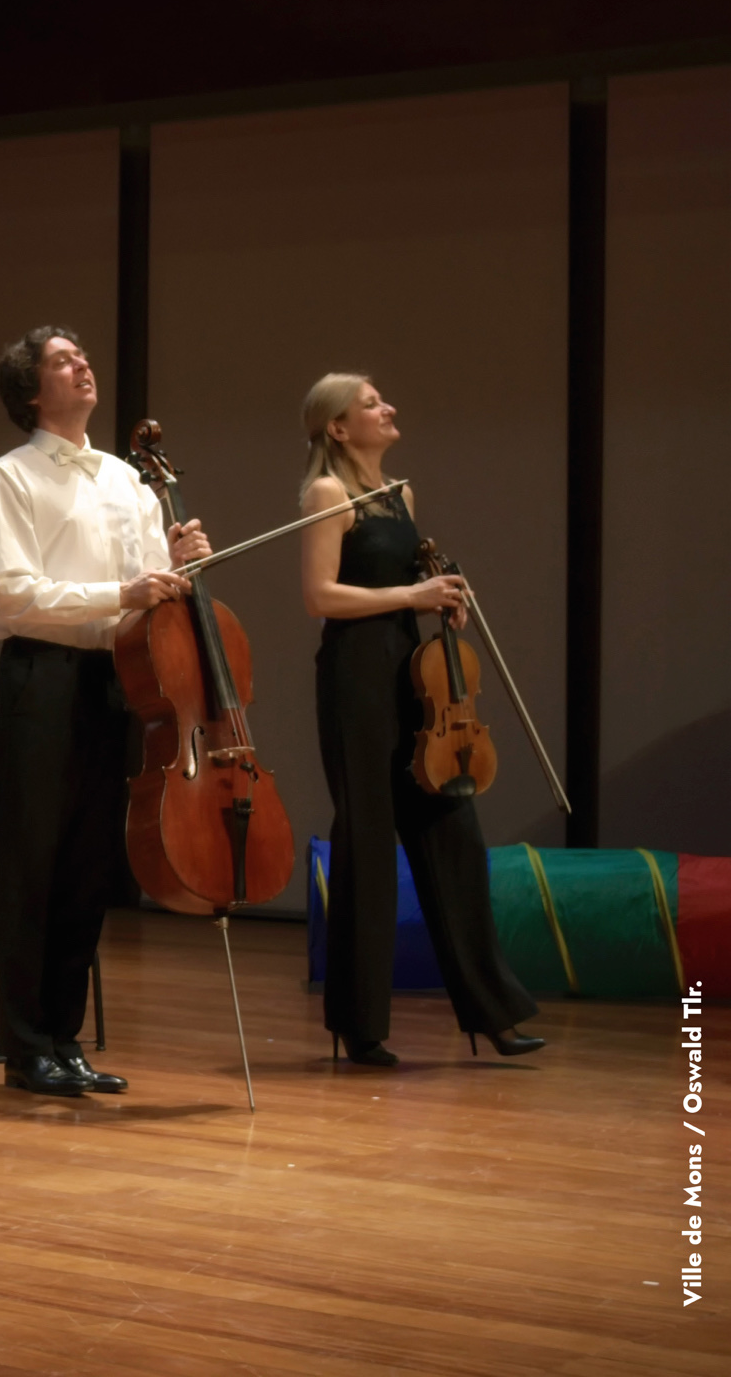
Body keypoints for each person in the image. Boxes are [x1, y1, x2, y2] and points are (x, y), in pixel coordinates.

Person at [0, 326, 209, 1097]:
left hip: (116, 678)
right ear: (32, 391)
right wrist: (122, 592)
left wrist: (178, 564)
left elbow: (149, 585)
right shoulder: (9, 476)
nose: (82, 365)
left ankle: (65, 1040)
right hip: (41, 676)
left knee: (88, 865)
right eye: (62, 360)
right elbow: (17, 595)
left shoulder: (126, 479)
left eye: (81, 356)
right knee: (35, 861)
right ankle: (24, 1047)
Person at [298, 373, 543, 1066]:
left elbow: (404, 589)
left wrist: (441, 601)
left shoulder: (400, 495)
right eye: (371, 403)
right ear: (338, 427)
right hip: (356, 677)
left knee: (452, 832)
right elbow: (320, 597)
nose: (388, 408)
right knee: (368, 841)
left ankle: (493, 1012)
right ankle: (361, 1026)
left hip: (415, 674)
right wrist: (412, 593)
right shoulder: (327, 495)